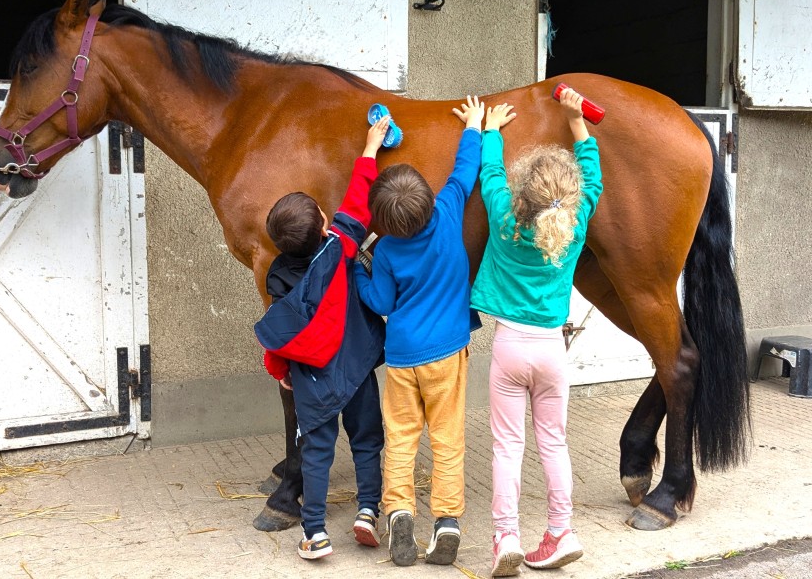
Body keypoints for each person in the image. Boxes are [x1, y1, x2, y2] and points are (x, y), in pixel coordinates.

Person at [470, 88, 603, 575]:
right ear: (570, 198)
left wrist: (489, 132)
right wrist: (576, 123)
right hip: (552, 353)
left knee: (508, 445)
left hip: (509, 349)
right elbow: (593, 178)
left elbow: (488, 176)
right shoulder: (577, 222)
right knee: (554, 442)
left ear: (522, 189)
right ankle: (560, 529)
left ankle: (506, 536)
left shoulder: (506, 217)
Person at [254, 116, 392, 560]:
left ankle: (314, 531)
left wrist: (282, 373)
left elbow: (278, 336)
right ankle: (368, 509)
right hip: (354, 370)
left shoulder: (277, 278)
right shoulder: (339, 248)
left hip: (311, 379)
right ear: (322, 221)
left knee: (315, 452)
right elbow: (358, 201)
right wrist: (370, 148)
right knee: (367, 439)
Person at [354, 95, 484, 567]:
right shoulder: (448, 213)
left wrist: (360, 273)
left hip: (403, 355)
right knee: (447, 438)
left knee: (402, 437)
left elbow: (382, 303)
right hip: (448, 353)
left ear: (383, 222)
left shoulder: (386, 251)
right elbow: (464, 172)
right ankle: (446, 522)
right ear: (429, 198)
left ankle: (400, 513)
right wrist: (473, 127)